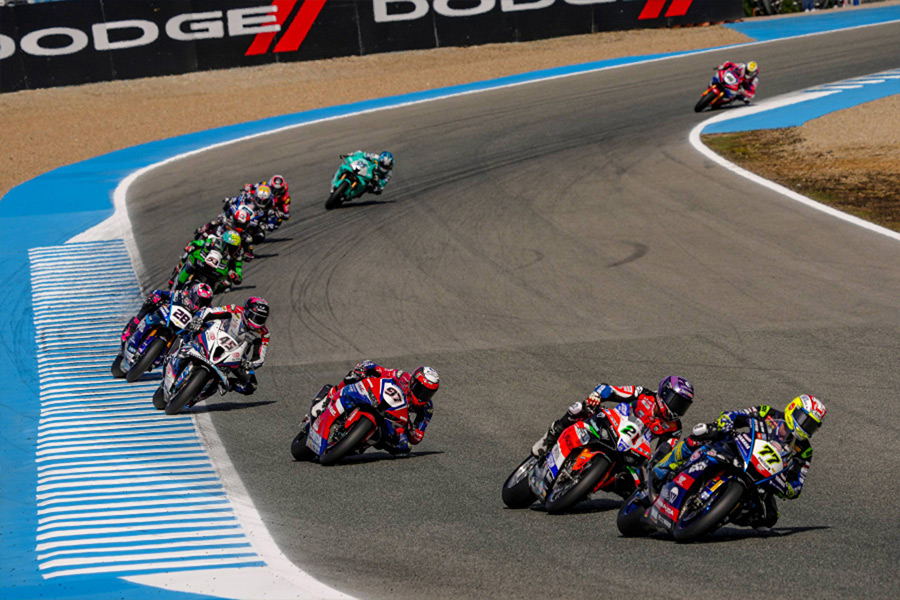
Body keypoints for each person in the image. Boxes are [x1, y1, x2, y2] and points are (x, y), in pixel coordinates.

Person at [651, 394, 826, 529]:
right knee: (705, 433)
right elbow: (739, 414)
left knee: (769, 518)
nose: (806, 428)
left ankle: (720, 514)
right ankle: (664, 466)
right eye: (804, 420)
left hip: (762, 477)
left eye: (811, 426)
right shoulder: (768, 413)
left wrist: (787, 489)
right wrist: (727, 420)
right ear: (793, 408)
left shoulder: (805, 451)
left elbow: (797, 482)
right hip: (739, 450)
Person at [531, 376, 695, 461]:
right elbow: (612, 390)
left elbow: (664, 453)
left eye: (683, 406)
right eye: (676, 402)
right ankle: (552, 435)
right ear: (664, 392)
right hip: (612, 423)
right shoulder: (644, 394)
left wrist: (656, 462)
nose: (677, 409)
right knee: (580, 408)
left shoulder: (675, 428)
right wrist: (597, 395)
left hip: (633, 448)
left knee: (637, 484)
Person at [304, 360, 439, 454]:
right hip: (376, 399)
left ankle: (361, 443)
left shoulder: (426, 409)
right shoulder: (402, 377)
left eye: (429, 393)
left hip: (391, 420)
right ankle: (329, 398)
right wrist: (363, 369)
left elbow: (417, 438)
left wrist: (410, 429)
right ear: (413, 382)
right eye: (421, 390)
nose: (423, 396)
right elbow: (378, 369)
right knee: (353, 377)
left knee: (404, 447)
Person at [184, 297, 271, 395]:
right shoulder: (235, 310)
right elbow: (209, 311)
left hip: (236, 355)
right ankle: (182, 347)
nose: (257, 321)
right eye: (255, 317)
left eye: (261, 319)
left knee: (251, 386)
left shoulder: (264, 334)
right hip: (216, 336)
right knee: (189, 330)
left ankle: (222, 383)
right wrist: (198, 319)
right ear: (247, 312)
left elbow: (260, 358)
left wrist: (250, 364)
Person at [121, 282, 213, 343]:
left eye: (204, 302)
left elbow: (210, 323)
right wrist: (157, 295)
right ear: (192, 294)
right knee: (149, 304)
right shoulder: (182, 294)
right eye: (198, 299)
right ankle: (131, 328)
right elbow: (163, 293)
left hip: (183, 330)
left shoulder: (206, 310)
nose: (200, 304)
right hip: (167, 316)